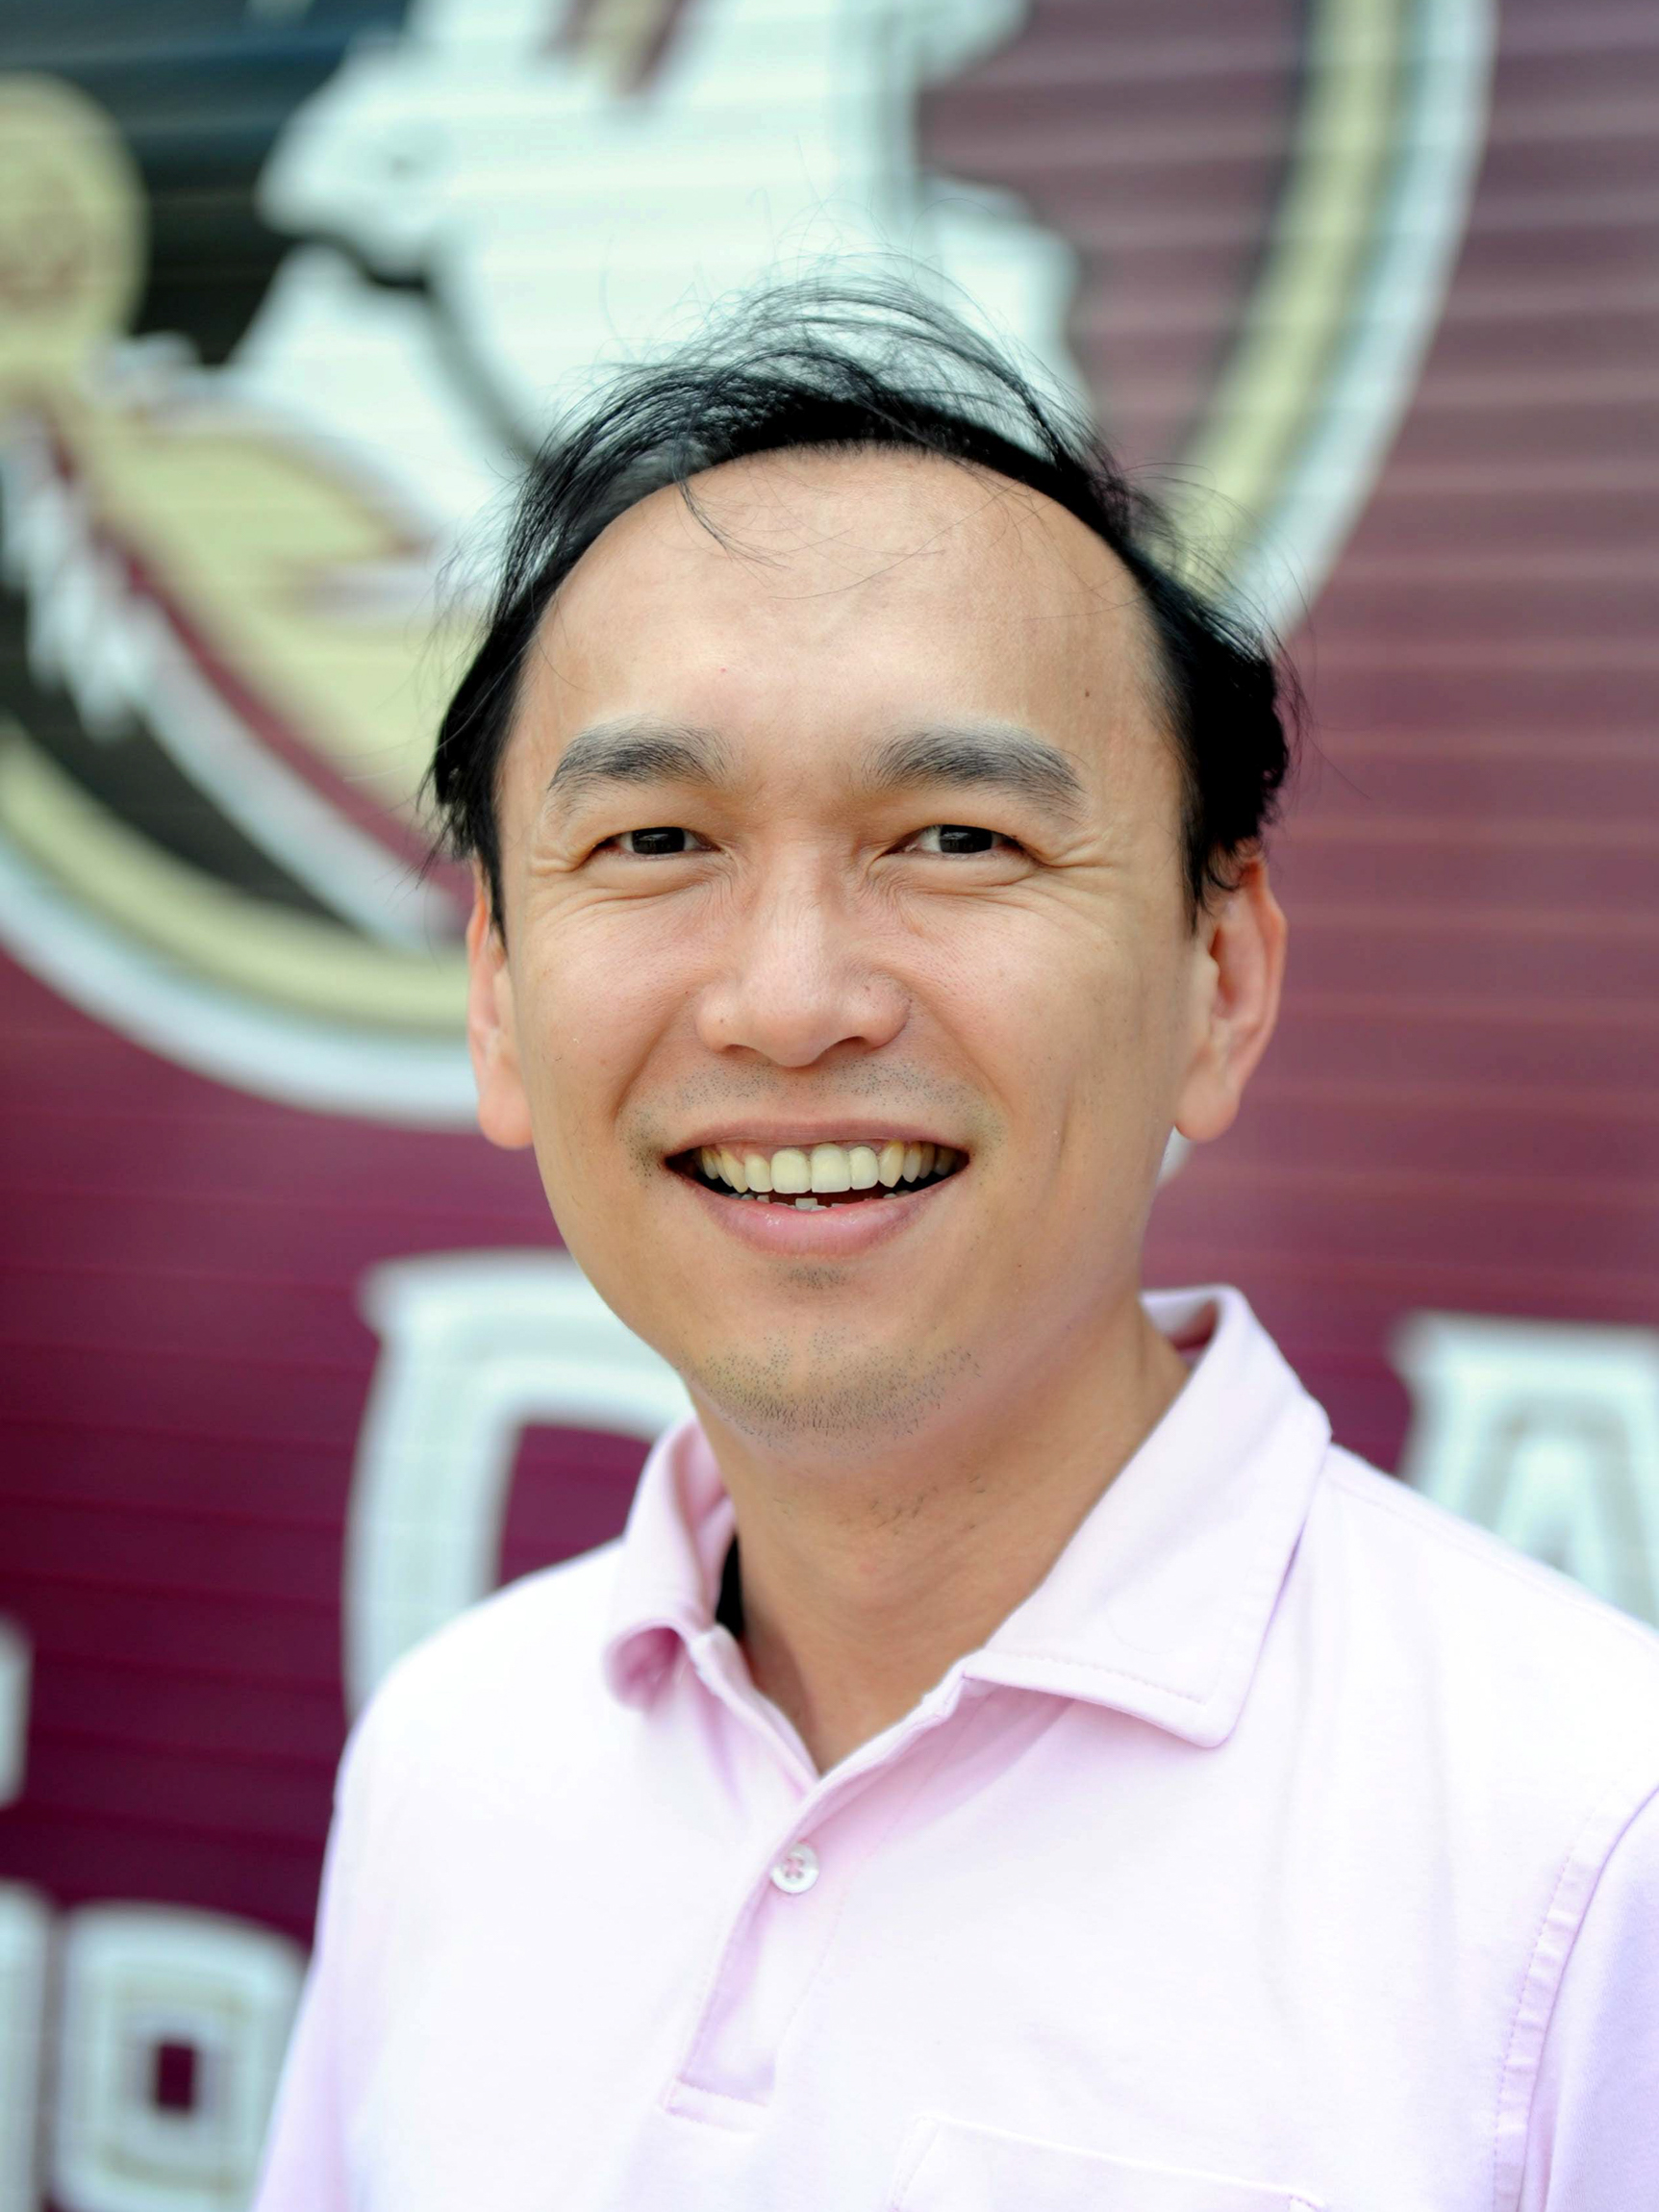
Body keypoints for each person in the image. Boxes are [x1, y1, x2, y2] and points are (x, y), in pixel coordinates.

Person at [253, 283, 1659, 2212]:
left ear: (1219, 975)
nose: (788, 999)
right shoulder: (453, 1751)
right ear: (497, 999)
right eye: (653, 843)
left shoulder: (1587, 1849)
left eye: (956, 839)